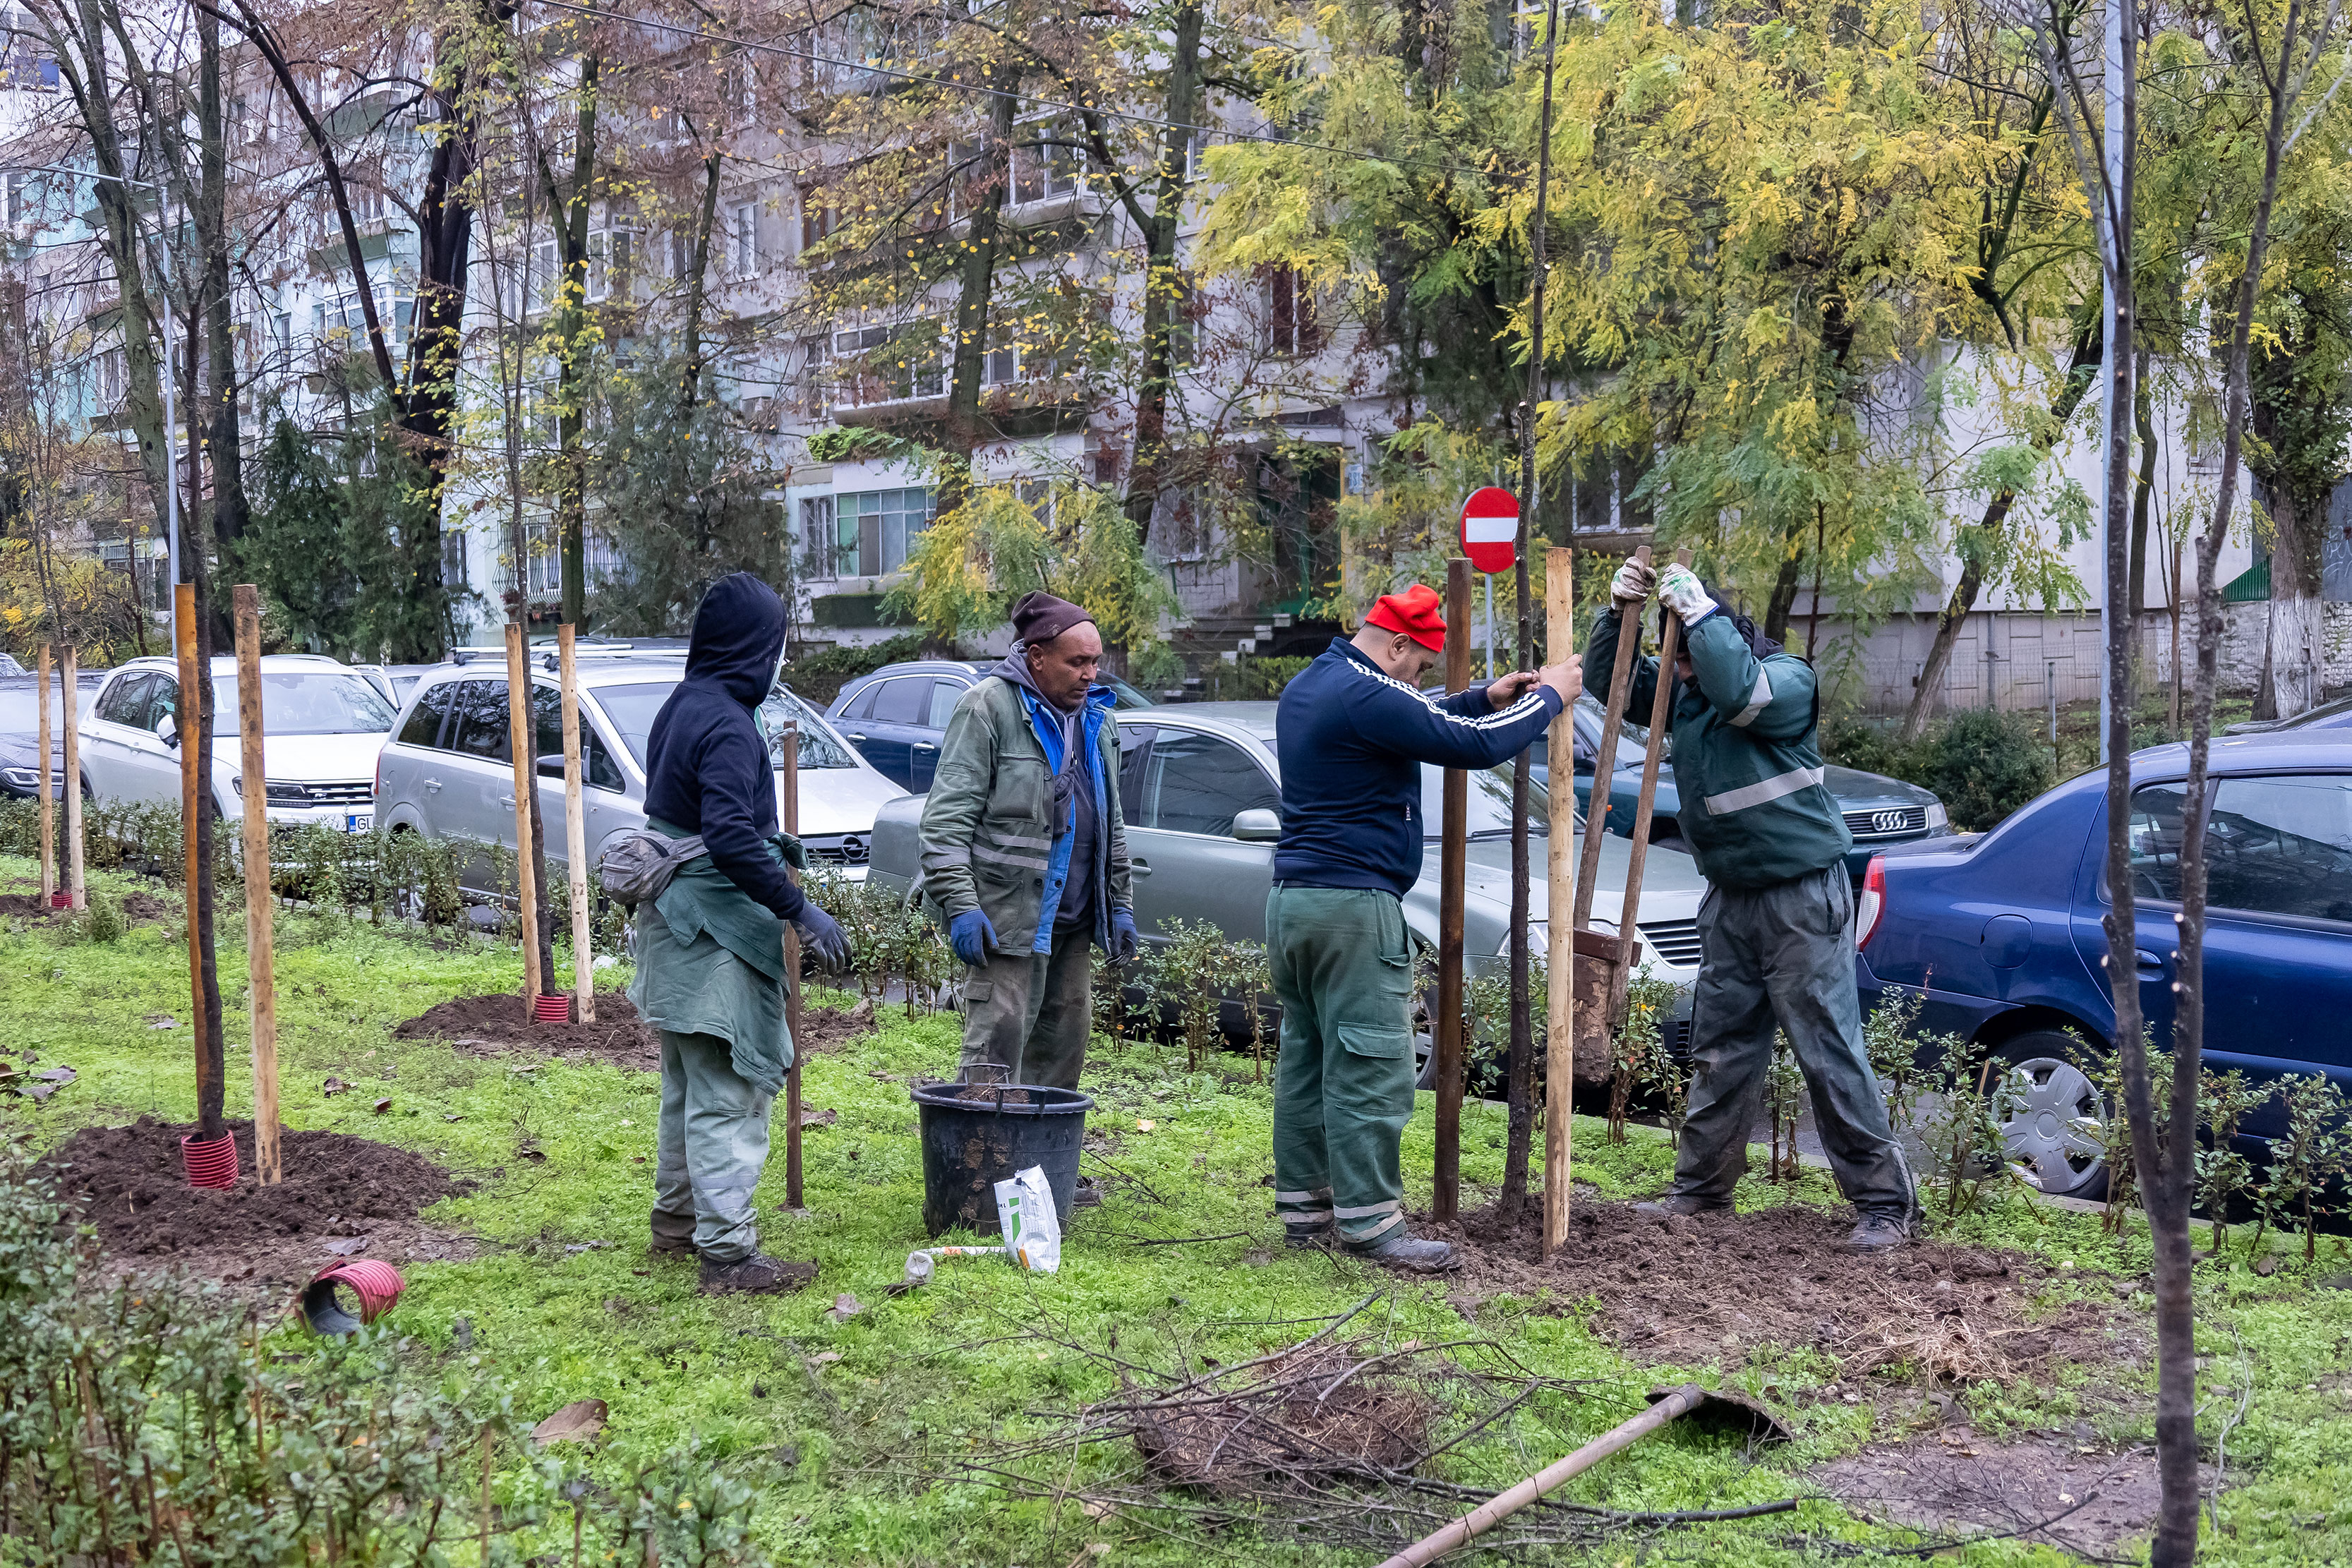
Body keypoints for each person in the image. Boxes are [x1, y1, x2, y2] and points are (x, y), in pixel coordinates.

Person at [1586, 559, 1919, 1251]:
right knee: (1721, 1051)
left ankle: (1885, 1205)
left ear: (1720, 638)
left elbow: (1739, 688)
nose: (1676, 676)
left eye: (1686, 661)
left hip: (1801, 898)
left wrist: (1697, 613)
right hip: (1730, 898)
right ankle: (1701, 1194)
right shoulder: (1690, 693)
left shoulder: (1787, 682)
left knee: (1828, 1050)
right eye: (1676, 664)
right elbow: (1611, 686)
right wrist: (1620, 614)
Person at [1269, 584, 1580, 1271]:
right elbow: (1469, 746)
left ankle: (1307, 1209)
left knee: (1308, 1059)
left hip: (1295, 902)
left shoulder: (1318, 683)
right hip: (1354, 908)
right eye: (1419, 665)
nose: (1420, 679)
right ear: (1398, 644)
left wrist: (1482, 695)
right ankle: (1373, 1227)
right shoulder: (1367, 690)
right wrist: (1549, 696)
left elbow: (1417, 717)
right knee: (1372, 1063)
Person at [630, 573, 851, 1294]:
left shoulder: (682, 705)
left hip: (673, 925)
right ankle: (726, 1255)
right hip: (714, 928)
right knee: (730, 1089)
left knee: (687, 1081)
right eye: (776, 645)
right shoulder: (726, 721)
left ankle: (677, 1222)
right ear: (754, 648)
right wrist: (800, 908)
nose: (777, 660)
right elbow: (727, 833)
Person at [920, 591, 1138, 1117]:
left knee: (1060, 1063)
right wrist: (961, 906)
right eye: (1077, 662)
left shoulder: (1096, 721)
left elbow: (1109, 822)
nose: (1090, 674)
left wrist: (1120, 901)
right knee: (993, 1061)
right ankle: (980, 1177)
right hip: (1006, 923)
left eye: (1095, 661)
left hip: (1074, 924)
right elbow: (945, 823)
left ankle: (1042, 1176)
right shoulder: (987, 709)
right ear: (1036, 656)